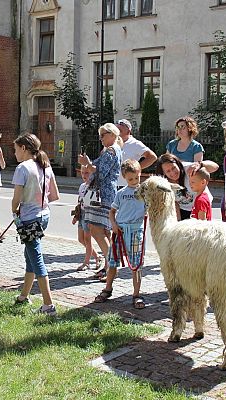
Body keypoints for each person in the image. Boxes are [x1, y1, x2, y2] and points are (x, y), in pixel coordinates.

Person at [12, 133, 60, 316]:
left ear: (24, 148)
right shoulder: (45, 166)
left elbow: (15, 199)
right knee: (30, 256)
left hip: (28, 218)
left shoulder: (23, 168)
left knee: (36, 258)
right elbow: (55, 196)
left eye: (16, 149)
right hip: (44, 216)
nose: (15, 153)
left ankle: (48, 305)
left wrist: (16, 211)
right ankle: (24, 295)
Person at [94, 160, 147, 308]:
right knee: (113, 261)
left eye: (137, 178)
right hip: (120, 231)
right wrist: (114, 225)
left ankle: (136, 294)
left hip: (136, 232)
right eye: (131, 179)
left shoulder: (144, 193)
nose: (134, 181)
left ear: (140, 174)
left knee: (136, 264)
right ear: (124, 177)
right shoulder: (121, 193)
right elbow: (112, 212)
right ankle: (107, 288)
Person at [78, 123, 123, 280]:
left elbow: (100, 172)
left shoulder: (111, 151)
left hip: (103, 194)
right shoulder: (111, 150)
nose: (101, 138)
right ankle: (108, 266)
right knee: (104, 231)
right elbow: (96, 164)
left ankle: (112, 265)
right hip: (105, 194)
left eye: (103, 134)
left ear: (112, 134)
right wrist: (88, 162)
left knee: (96, 230)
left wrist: (87, 164)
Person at [156, 153, 218, 221]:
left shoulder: (189, 169)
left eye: (174, 168)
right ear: (164, 173)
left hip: (201, 205)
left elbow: (215, 167)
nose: (172, 172)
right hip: (184, 210)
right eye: (168, 171)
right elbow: (174, 202)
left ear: (177, 164)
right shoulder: (165, 183)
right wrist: (178, 222)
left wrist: (200, 164)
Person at [72, 165, 101, 271]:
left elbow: (95, 203)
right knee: (81, 239)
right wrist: (76, 215)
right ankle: (97, 256)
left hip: (89, 214)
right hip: (82, 214)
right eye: (82, 172)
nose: (84, 175)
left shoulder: (94, 187)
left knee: (87, 240)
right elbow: (79, 202)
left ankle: (87, 262)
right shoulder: (82, 186)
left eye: (87, 173)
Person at [115, 119, 157, 188]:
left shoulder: (135, 144)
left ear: (128, 131)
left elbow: (152, 157)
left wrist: (135, 169)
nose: (117, 132)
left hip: (127, 185)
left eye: (120, 130)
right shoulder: (113, 142)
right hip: (112, 184)